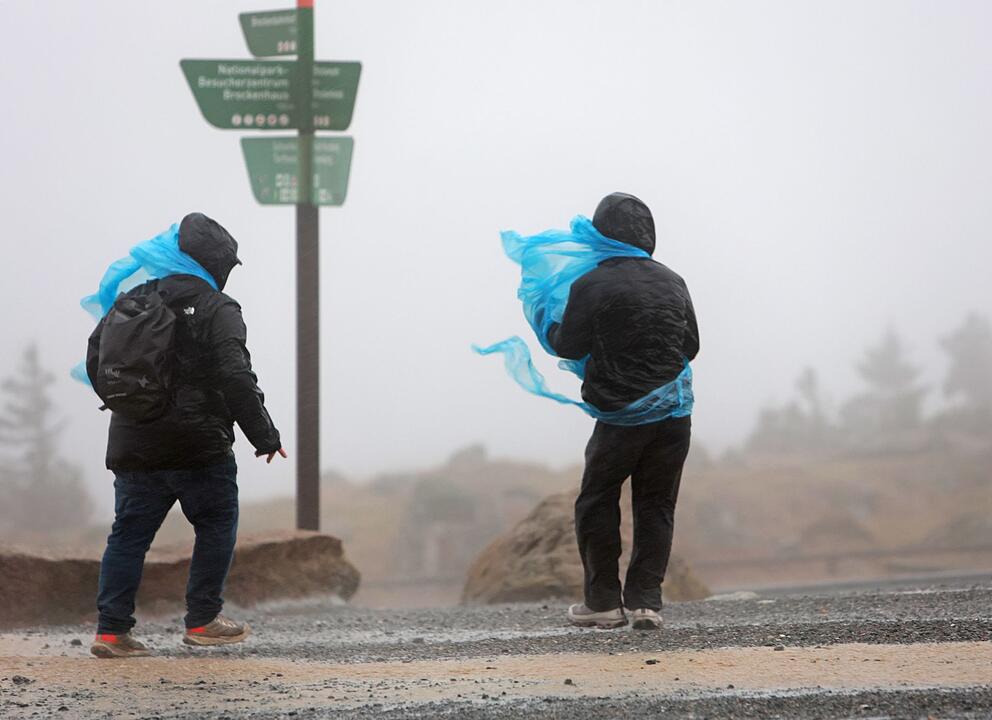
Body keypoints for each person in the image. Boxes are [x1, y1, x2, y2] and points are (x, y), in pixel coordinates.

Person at [86, 212, 286, 658]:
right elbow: (236, 376)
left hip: (134, 444)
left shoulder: (135, 298)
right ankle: (202, 620)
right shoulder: (218, 308)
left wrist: (132, 408)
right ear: (215, 263)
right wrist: (264, 436)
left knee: (129, 535)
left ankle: (111, 632)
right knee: (215, 525)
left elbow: (97, 360)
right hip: (199, 445)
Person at [547, 193, 699, 631]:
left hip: (620, 418)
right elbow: (691, 345)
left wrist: (547, 319)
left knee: (597, 499)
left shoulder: (591, 284)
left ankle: (603, 603)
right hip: (674, 415)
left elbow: (568, 345)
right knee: (656, 504)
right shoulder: (674, 280)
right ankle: (646, 603)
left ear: (600, 233)